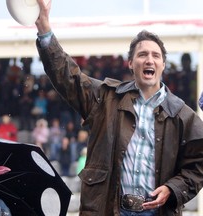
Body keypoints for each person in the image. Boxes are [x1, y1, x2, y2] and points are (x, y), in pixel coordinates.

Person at [34, 0, 203, 215]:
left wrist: (173, 188)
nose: (149, 59)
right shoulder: (105, 98)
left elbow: (198, 165)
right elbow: (69, 78)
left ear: (163, 65)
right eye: (142, 55)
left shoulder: (183, 115)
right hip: (109, 210)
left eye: (156, 55)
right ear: (131, 63)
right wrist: (45, 30)